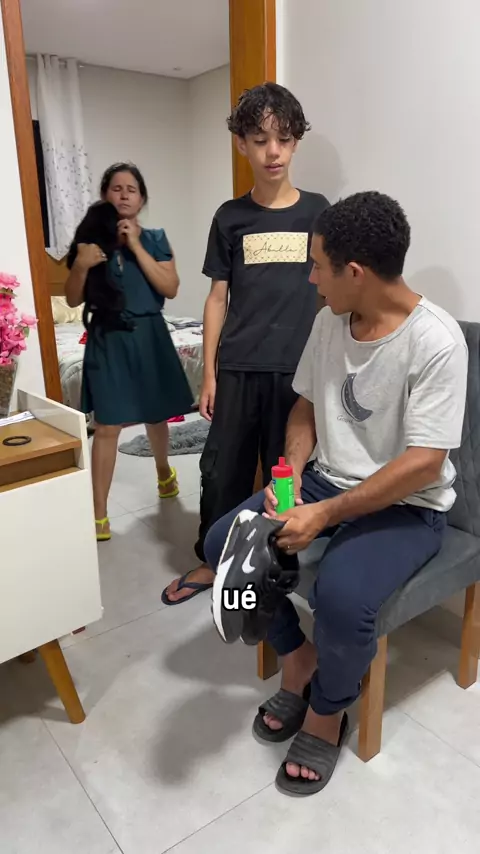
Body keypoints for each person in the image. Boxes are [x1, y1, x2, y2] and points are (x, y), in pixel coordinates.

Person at [203, 191, 468, 796]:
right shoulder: (329, 320)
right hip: (323, 482)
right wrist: (292, 477)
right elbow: (305, 405)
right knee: (223, 544)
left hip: (408, 506)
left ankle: (327, 711)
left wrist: (324, 515)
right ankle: (297, 658)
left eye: (317, 266)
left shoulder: (436, 341)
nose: (310, 278)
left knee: (342, 598)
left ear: (355, 272)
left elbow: (425, 463)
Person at [162, 82, 329, 605]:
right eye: (259, 140)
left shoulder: (319, 212)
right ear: (242, 144)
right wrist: (209, 373)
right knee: (222, 470)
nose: (272, 152)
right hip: (237, 368)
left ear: (296, 142)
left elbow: (331, 295)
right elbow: (217, 299)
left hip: (297, 373)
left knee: (287, 473)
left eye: (283, 139)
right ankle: (213, 559)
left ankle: (275, 562)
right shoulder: (230, 217)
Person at [65, 163, 194, 541]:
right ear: (105, 195)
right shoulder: (90, 241)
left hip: (150, 335)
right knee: (107, 425)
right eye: (116, 188)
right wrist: (82, 266)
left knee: (156, 414)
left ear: (141, 199)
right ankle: (99, 513)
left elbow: (170, 287)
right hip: (108, 337)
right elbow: (72, 298)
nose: (123, 194)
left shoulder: (154, 238)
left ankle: (163, 472)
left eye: (131, 189)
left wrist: (136, 245)